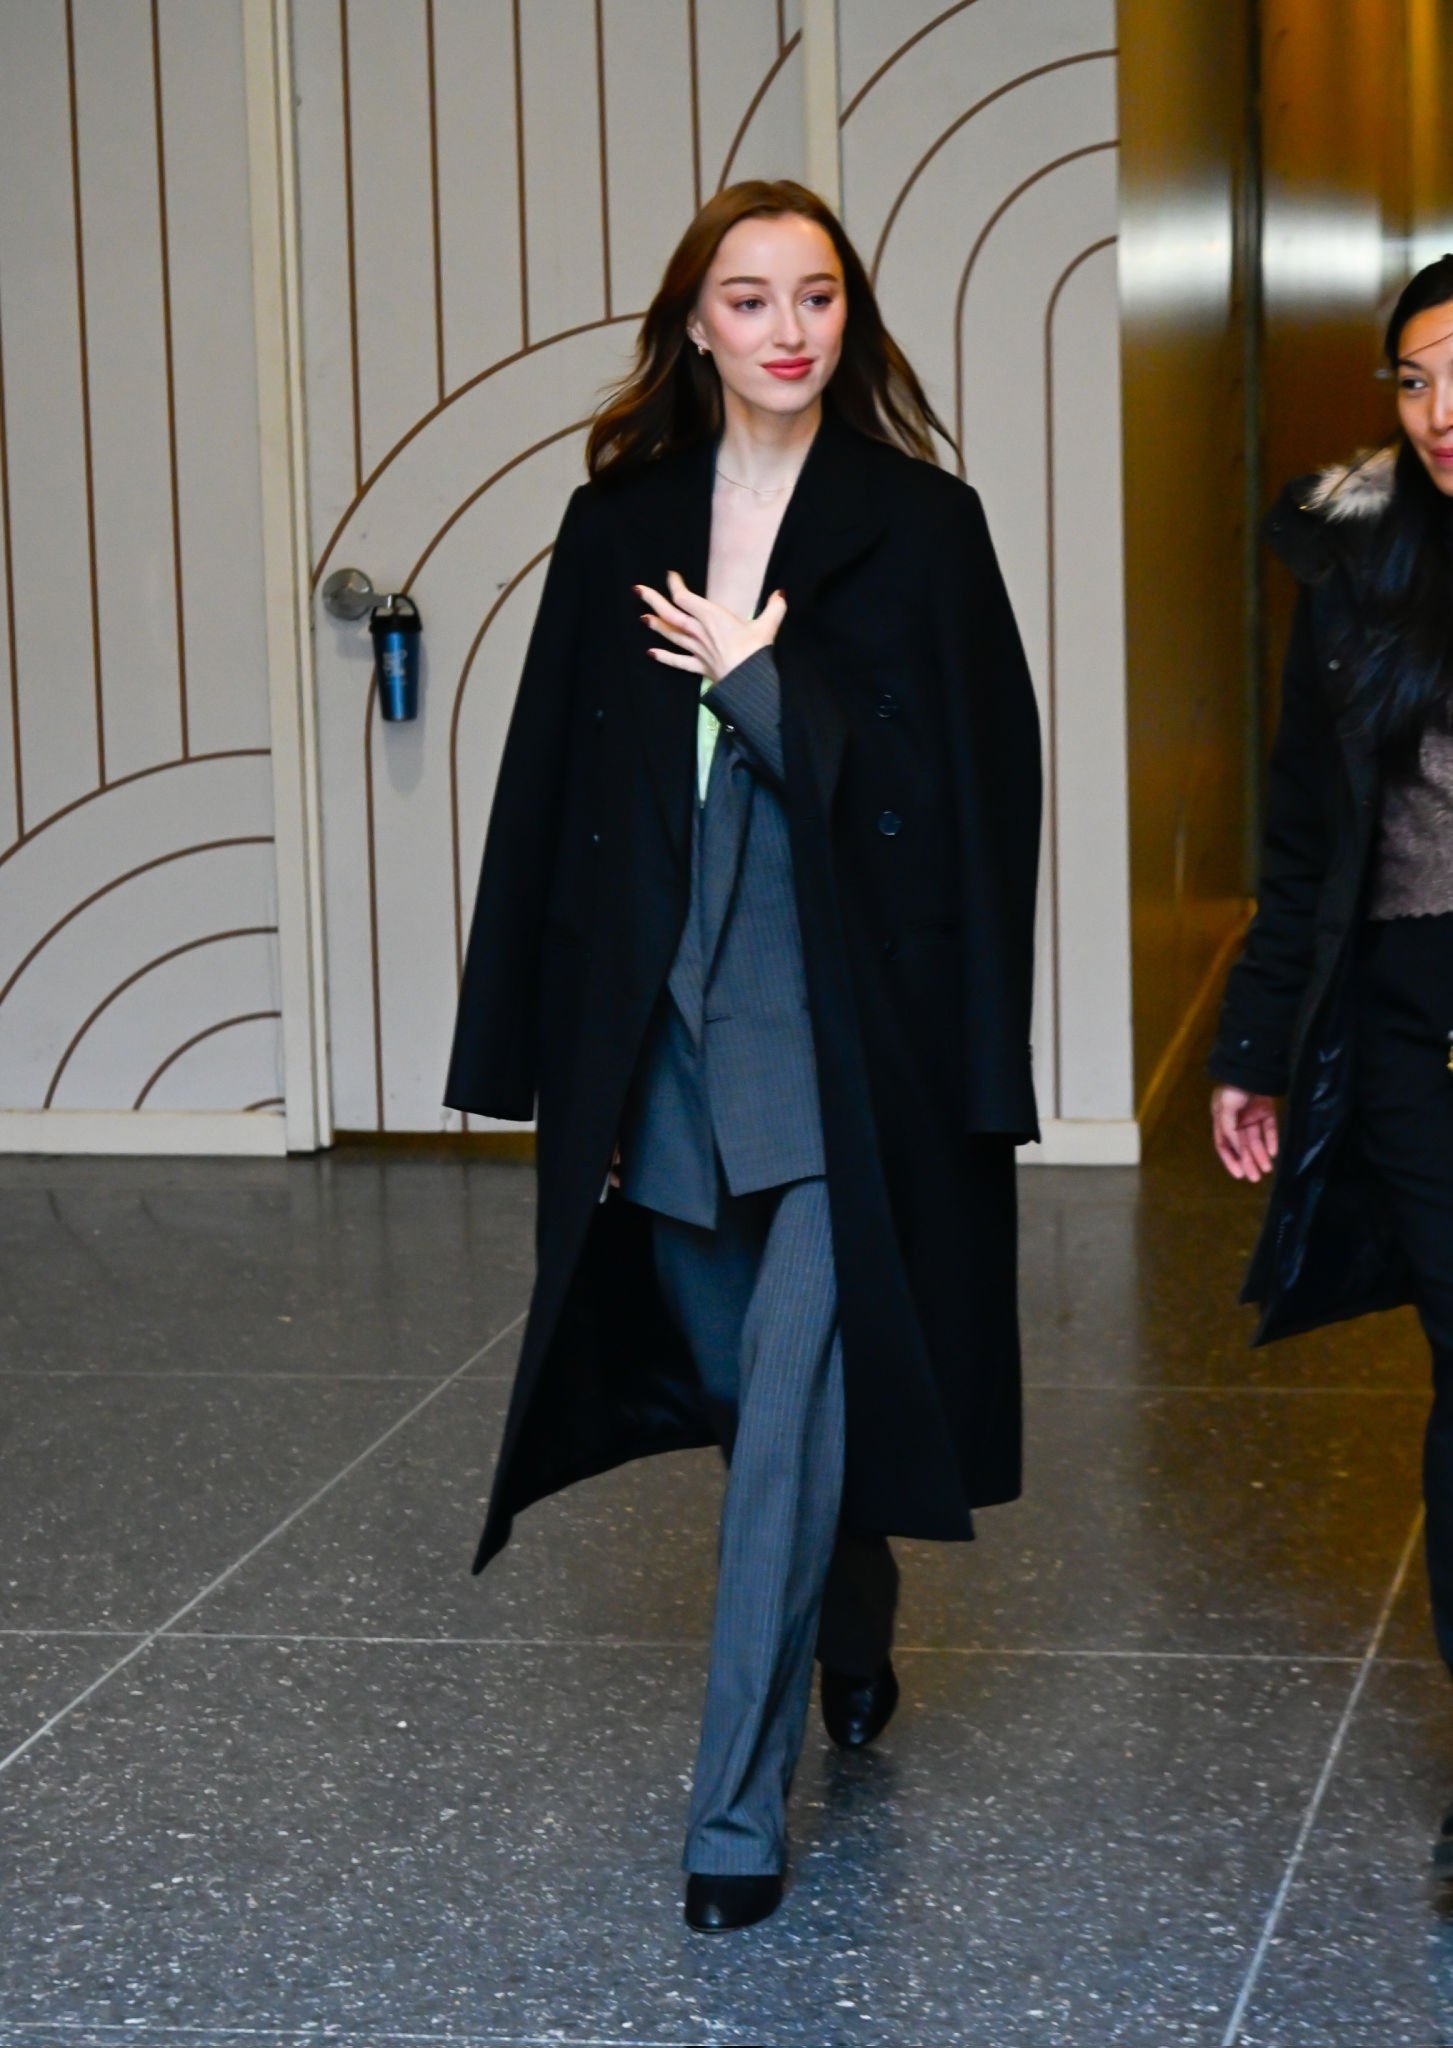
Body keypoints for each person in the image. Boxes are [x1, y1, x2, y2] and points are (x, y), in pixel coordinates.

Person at [446, 179, 1041, 1930]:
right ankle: (853, 1610)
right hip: (666, 1028)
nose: (788, 329)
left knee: (785, 1408)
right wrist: (527, 1047)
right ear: (693, 324)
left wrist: (761, 689)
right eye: (750, 297)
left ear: (851, 319)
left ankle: (730, 1820)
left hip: (843, 1034)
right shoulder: (615, 522)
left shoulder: (920, 526)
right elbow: (551, 785)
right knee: (747, 1392)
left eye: (818, 296)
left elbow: (969, 802)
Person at [1210, 254, 1453, 1861]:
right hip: (1417, 1019)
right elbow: (1305, 833)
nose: (1438, 411)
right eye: (1413, 379)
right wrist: (1254, 1041)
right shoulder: (1360, 564)